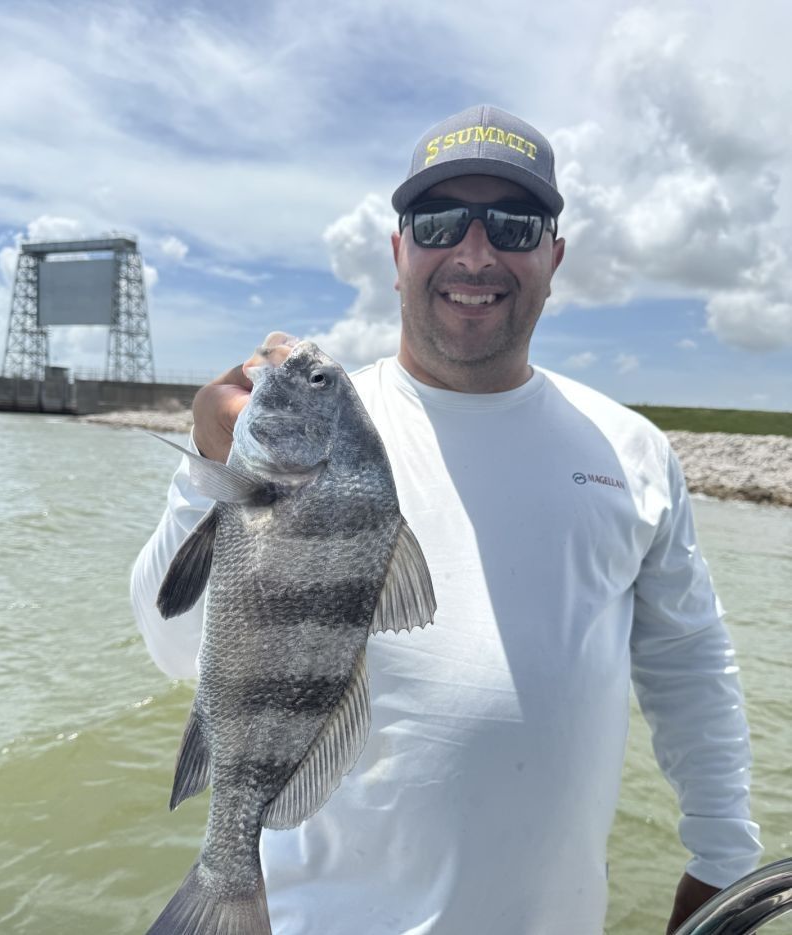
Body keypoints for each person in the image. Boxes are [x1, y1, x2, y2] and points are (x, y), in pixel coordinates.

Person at [131, 104, 762, 934]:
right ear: (398, 253)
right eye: (438, 221)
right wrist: (210, 472)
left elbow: (690, 665)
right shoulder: (323, 433)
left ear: (554, 256)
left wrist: (722, 854)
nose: (474, 251)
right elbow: (170, 645)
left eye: (513, 223)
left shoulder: (633, 450)